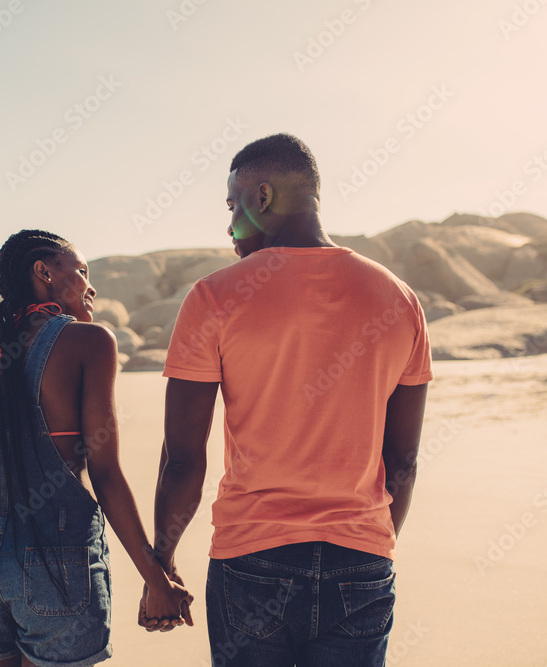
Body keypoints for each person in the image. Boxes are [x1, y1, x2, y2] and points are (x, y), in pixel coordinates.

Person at [140, 134, 433, 666]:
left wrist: (162, 562)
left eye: (233, 205)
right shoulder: (399, 299)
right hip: (360, 560)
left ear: (263, 196)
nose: (229, 224)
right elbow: (404, 463)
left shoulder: (214, 297)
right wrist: (370, 547)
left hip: (252, 559)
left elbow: (184, 458)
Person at [0, 229, 193, 667]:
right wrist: (155, 578)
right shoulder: (90, 341)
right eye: (81, 271)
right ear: (43, 272)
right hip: (58, 561)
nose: (90, 285)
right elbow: (106, 475)